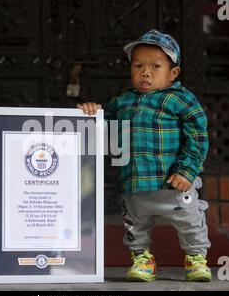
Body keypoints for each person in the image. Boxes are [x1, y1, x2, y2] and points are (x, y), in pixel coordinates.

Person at [76, 29, 211, 282]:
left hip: (173, 182)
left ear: (173, 73)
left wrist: (187, 171)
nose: (145, 72)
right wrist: (92, 112)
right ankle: (142, 258)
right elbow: (103, 126)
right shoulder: (123, 101)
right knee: (135, 226)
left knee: (190, 221)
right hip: (136, 182)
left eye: (155, 66)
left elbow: (198, 137)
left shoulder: (181, 100)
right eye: (138, 65)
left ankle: (196, 258)